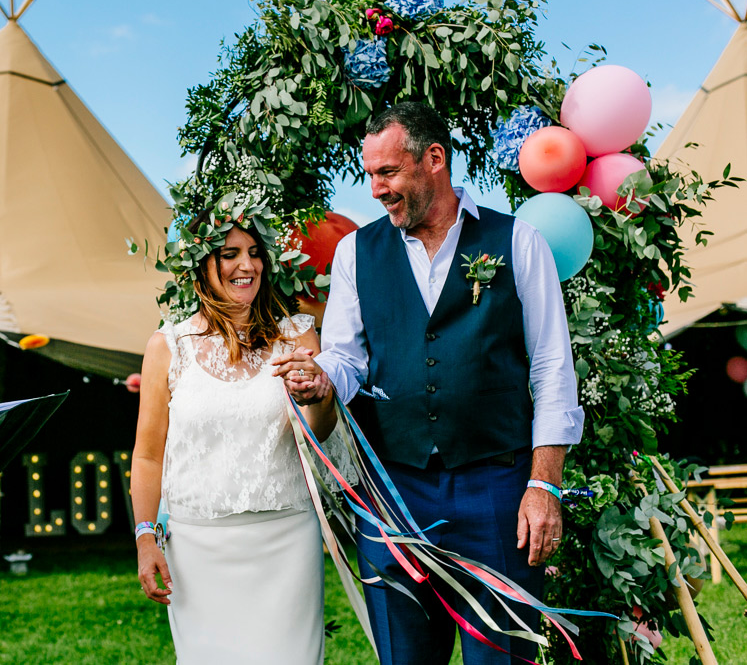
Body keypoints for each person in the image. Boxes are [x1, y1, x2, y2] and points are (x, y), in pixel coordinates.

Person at [276, 101, 584, 663]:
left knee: (504, 656)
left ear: (434, 159)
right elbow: (348, 360)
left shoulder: (517, 242)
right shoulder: (355, 253)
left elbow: (552, 370)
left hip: (498, 492)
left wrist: (544, 486)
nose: (375, 189)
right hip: (393, 495)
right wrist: (321, 379)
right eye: (369, 174)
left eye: (387, 172)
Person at [130, 206, 338, 664]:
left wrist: (317, 395)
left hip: (285, 539)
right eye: (230, 254)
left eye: (255, 253)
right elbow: (147, 456)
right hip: (196, 547)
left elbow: (320, 433)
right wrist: (146, 537)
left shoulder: (298, 336)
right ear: (201, 264)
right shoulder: (167, 346)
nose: (248, 265)